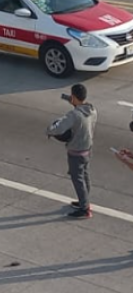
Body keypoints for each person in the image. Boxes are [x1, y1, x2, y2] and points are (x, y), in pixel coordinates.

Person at [47, 83, 97, 219]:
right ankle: (84, 200)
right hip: (87, 149)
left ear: (73, 97)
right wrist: (75, 103)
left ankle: (85, 209)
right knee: (85, 175)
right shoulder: (92, 110)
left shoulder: (74, 115)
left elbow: (59, 128)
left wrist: (49, 130)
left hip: (76, 152)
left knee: (78, 179)